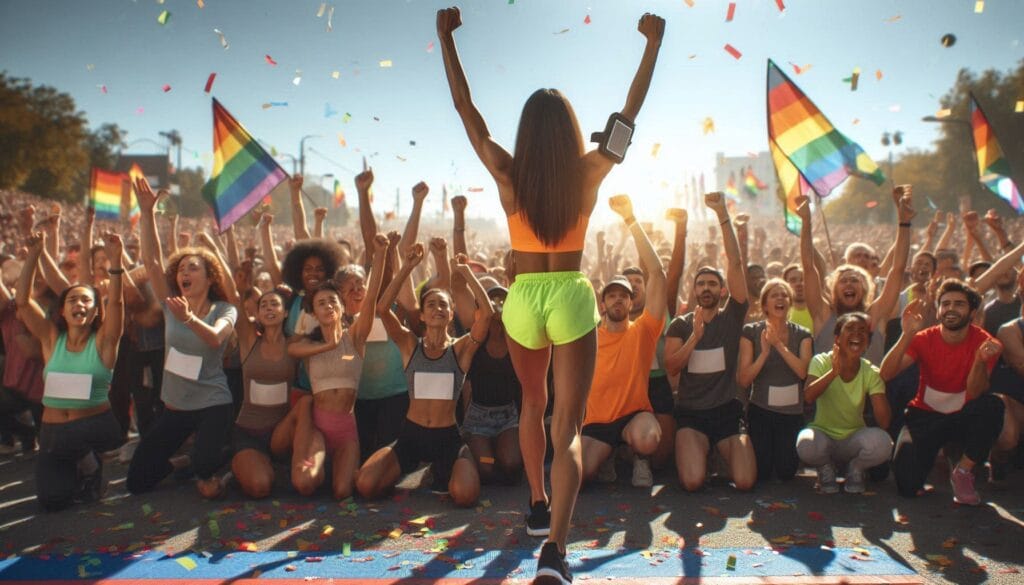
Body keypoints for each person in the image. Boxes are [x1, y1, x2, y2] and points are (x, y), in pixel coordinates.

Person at [437, 7, 665, 582]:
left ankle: (537, 505)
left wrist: (446, 40)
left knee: (532, 407)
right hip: (567, 294)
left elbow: (468, 113)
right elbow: (629, 113)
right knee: (569, 426)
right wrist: (652, 46)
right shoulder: (589, 171)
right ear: (568, 130)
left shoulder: (508, 174)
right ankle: (556, 553)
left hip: (521, 299)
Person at [126, 177, 238, 499]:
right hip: (175, 408)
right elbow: (150, 261)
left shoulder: (224, 309)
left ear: (209, 276)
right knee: (138, 482)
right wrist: (147, 213)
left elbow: (216, 339)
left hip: (213, 404)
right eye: (181, 270)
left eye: (193, 268)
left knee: (207, 479)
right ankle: (185, 463)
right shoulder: (171, 302)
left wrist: (189, 318)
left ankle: (212, 458)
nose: (184, 274)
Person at [355, 244, 491, 507]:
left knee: (465, 496)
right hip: (411, 437)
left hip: (447, 439)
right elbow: (383, 309)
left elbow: (485, 315)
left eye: (443, 305)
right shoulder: (410, 345)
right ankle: (420, 471)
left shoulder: (460, 349)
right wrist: (407, 267)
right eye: (431, 304)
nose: (437, 309)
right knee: (366, 485)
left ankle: (442, 472)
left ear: (451, 314)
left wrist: (464, 272)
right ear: (422, 315)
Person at [15, 231, 125, 510]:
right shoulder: (51, 339)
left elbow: (116, 304)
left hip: (95, 428)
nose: (79, 304)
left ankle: (90, 464)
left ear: (96, 312)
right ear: (62, 311)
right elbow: (23, 303)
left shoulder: (104, 341)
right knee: (52, 500)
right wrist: (33, 256)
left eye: (87, 300)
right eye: (72, 300)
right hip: (52, 433)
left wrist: (115, 264)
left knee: (72, 438)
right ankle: (83, 470)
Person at [881, 280, 1004, 504]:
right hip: (925, 416)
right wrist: (906, 334)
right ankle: (934, 456)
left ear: (972, 312)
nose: (951, 309)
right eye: (945, 304)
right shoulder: (922, 339)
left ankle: (963, 470)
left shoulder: (986, 343)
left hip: (963, 417)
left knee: (993, 405)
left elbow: (976, 393)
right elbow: (886, 374)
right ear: (938, 311)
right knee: (906, 486)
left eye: (959, 304)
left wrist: (978, 361)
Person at [664, 192, 755, 493]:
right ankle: (704, 452)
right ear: (693, 291)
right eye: (701, 283)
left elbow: (736, 262)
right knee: (692, 482)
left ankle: (721, 452)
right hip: (691, 414)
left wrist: (722, 215)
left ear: (723, 290)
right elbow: (672, 367)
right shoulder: (681, 324)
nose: (706, 287)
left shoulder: (732, 317)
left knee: (744, 481)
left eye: (712, 283)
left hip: (727, 413)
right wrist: (694, 338)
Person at [287, 234, 386, 499]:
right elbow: (292, 349)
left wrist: (381, 255)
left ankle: (337, 468)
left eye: (332, 301)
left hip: (346, 428)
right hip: (317, 428)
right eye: (321, 303)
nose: (328, 305)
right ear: (314, 312)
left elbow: (373, 295)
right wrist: (326, 346)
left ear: (342, 306)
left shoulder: (355, 336)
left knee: (343, 491)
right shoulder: (308, 343)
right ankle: (316, 466)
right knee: (305, 484)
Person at [580, 195, 667, 488]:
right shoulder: (588, 335)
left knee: (648, 438)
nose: (618, 299)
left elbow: (658, 273)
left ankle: (637, 456)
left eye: (624, 295)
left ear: (632, 303)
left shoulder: (644, 330)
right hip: (596, 423)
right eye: (612, 295)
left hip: (633, 417)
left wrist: (630, 219)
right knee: (579, 475)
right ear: (602, 304)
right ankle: (608, 455)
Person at [798, 187, 914, 365]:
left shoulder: (876, 316)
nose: (849, 284)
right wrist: (806, 222)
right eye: (843, 281)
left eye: (855, 281)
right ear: (834, 288)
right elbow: (809, 268)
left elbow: (897, 269)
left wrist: (904, 223)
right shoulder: (822, 314)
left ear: (865, 289)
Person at [796, 313, 892, 494]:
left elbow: (885, 422)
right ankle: (825, 467)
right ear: (837, 339)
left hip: (853, 440)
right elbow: (808, 397)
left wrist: (878, 384)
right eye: (850, 329)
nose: (857, 334)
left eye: (863, 331)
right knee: (805, 442)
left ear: (867, 343)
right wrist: (833, 373)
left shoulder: (871, 371)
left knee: (884, 443)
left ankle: (855, 469)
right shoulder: (821, 361)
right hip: (823, 436)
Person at [226, 284, 298, 499]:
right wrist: (217, 252)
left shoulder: (296, 344)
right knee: (260, 487)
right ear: (256, 314)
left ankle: (278, 464)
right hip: (249, 432)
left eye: (274, 304)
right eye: (263, 305)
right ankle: (241, 467)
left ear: (285, 313)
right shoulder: (249, 340)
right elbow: (233, 294)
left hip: (282, 435)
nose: (268, 308)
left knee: (305, 405)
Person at [738, 278, 813, 483]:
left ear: (789, 303)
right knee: (762, 472)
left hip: (792, 414)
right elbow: (744, 380)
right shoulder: (750, 332)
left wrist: (778, 345)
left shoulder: (803, 334)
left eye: (784, 295)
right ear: (764, 305)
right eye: (774, 295)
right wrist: (763, 354)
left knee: (786, 472)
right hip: (761, 411)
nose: (781, 298)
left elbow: (802, 373)